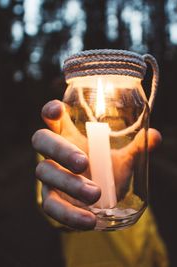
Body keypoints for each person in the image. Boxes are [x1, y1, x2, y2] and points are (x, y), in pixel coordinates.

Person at [32, 99, 169, 267]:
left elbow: (146, 222)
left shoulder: (130, 133)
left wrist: (159, 257)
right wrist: (70, 199)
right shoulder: (61, 144)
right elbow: (48, 200)